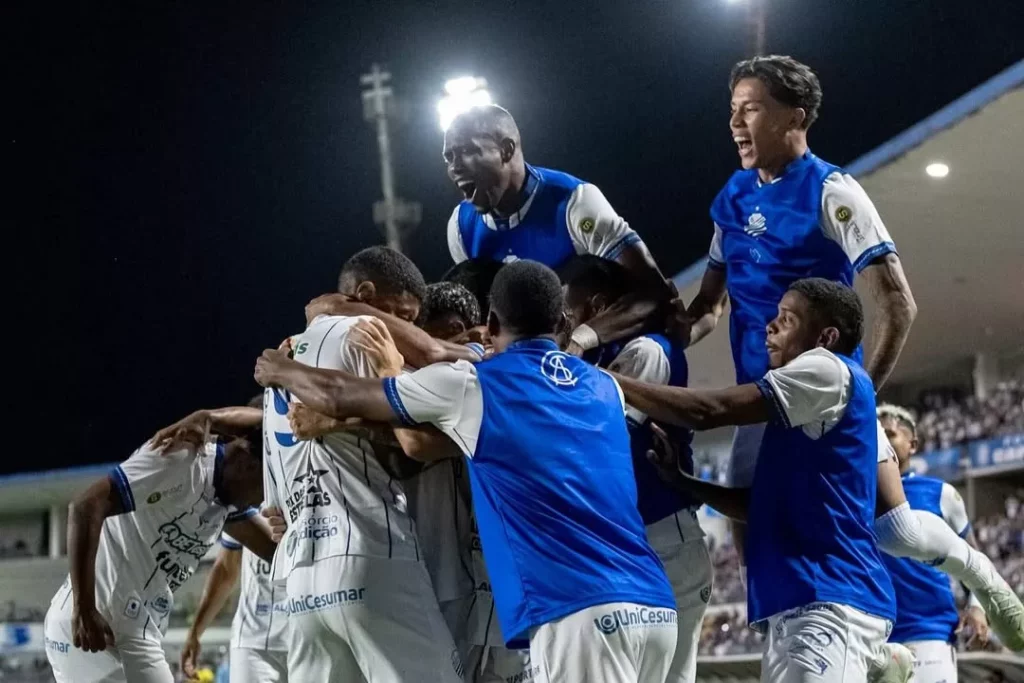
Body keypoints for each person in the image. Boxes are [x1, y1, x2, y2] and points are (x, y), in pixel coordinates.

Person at [684, 54, 1024, 650]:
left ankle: (987, 582)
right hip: (761, 403)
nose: (736, 123)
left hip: (822, 396)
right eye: (732, 110)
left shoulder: (832, 190)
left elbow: (898, 302)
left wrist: (855, 396)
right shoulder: (731, 200)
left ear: (798, 115)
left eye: (752, 108)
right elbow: (708, 307)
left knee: (895, 530)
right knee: (753, 535)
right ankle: (873, 658)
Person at [255, 259, 679, 683]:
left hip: (568, 607)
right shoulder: (601, 385)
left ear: (489, 324)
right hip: (646, 598)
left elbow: (408, 432)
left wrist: (283, 370)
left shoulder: (475, 381)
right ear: (563, 321)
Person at [617, 278, 896, 683]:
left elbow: (711, 409)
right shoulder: (799, 412)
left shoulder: (827, 369)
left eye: (787, 319)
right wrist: (683, 481)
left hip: (827, 602)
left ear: (826, 336)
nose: (770, 326)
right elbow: (757, 507)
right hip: (804, 604)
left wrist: (611, 381)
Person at [261, 246, 464, 683]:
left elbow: (274, 508)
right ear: (366, 294)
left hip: (300, 582)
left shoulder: (280, 366)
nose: (405, 330)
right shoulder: (366, 336)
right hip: (370, 555)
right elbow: (418, 444)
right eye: (404, 315)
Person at [564, 255, 711, 683]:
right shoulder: (610, 354)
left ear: (596, 307)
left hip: (665, 540)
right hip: (643, 543)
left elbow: (595, 439)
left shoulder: (646, 352)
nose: (564, 322)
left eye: (569, 311)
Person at [443, 104, 676, 357]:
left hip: (609, 358)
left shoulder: (574, 202)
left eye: (467, 151)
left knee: (645, 352)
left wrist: (581, 339)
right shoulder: (460, 228)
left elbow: (654, 292)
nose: (455, 167)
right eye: (449, 157)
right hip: (535, 369)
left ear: (506, 150)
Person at [44, 425, 273, 683]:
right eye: (264, 489)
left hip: (137, 633)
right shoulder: (181, 461)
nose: (259, 502)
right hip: (95, 628)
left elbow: (276, 551)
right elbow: (85, 507)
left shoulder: (227, 499)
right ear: (247, 465)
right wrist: (83, 608)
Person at [877, 404, 990, 682]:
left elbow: (975, 556)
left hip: (928, 631)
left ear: (912, 444)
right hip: (871, 635)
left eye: (889, 434)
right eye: (875, 434)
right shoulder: (857, 493)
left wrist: (977, 605)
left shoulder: (940, 493)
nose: (880, 441)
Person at [180, 531, 289, 683]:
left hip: (310, 635)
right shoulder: (240, 508)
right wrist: (195, 633)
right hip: (253, 638)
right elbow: (226, 568)